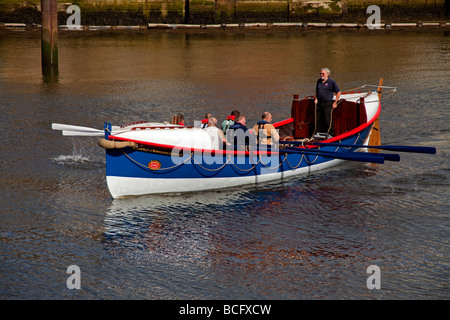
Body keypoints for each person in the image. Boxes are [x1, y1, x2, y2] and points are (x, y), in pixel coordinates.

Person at [314, 68, 341, 137]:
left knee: (328, 120)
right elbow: (317, 91)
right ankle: (317, 135)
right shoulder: (319, 81)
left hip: (327, 103)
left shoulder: (331, 82)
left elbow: (338, 92)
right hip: (319, 103)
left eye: (323, 74)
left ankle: (330, 135)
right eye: (320, 74)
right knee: (318, 120)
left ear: (328, 74)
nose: (321, 75)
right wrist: (316, 98)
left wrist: (335, 102)